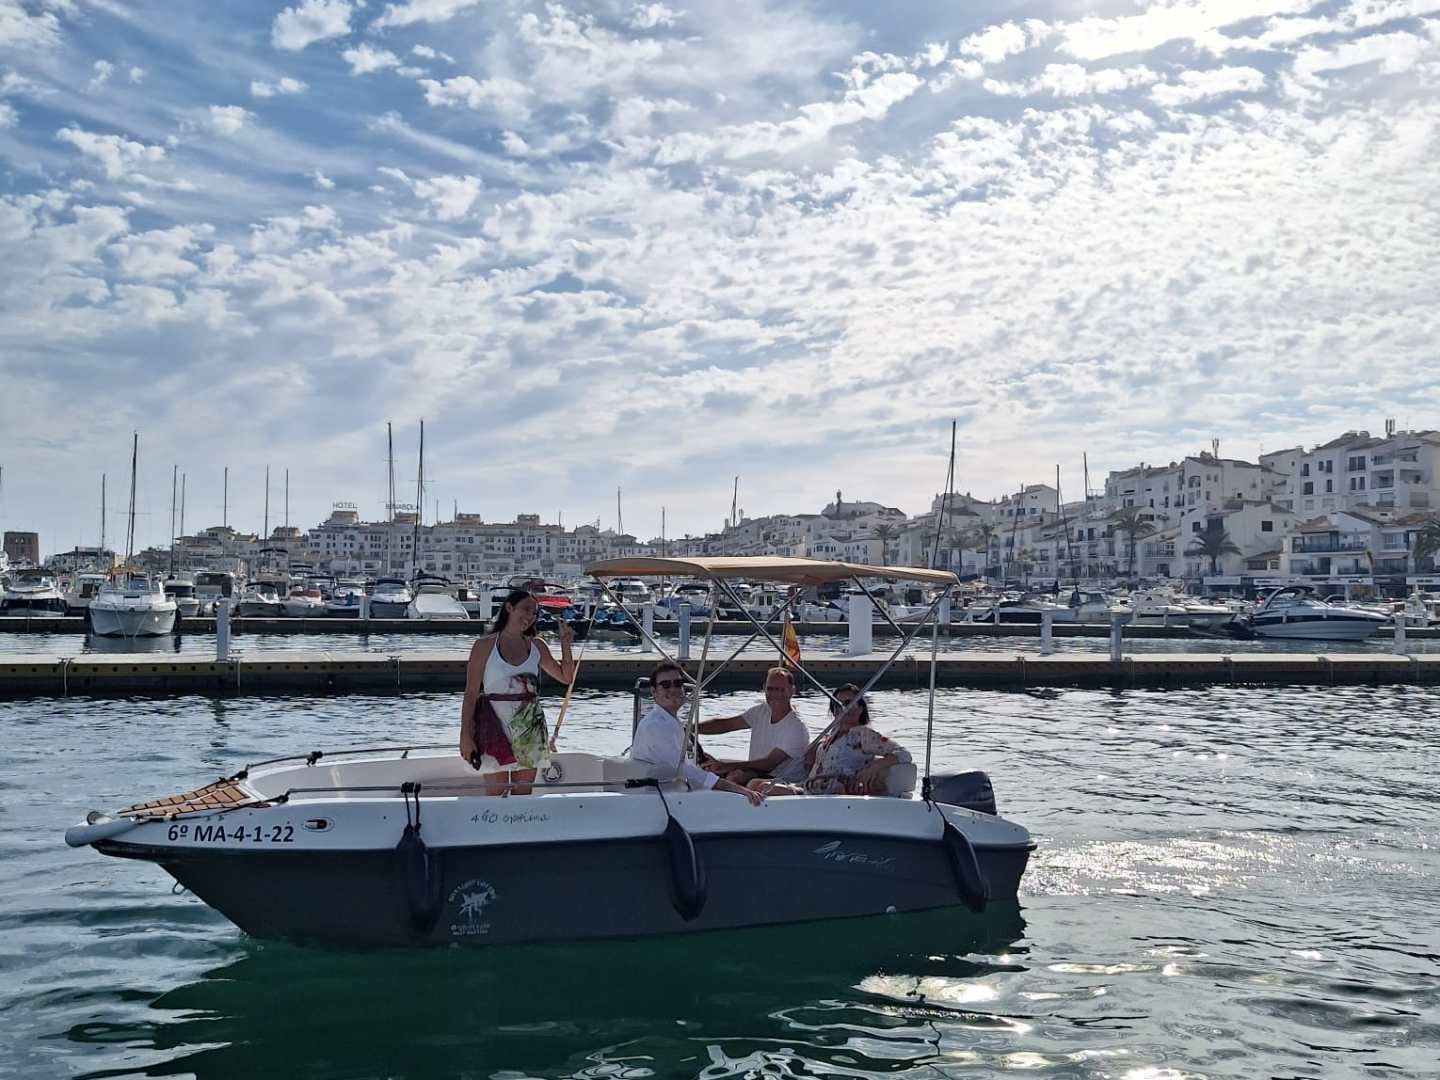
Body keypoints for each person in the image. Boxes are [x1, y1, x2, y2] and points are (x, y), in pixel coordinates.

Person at [459, 589, 575, 795]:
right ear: (509, 607)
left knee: (523, 794)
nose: (530, 616)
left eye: (535, 612)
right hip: (492, 723)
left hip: (530, 725)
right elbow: (470, 694)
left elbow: (566, 677)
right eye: (526, 609)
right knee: (497, 792)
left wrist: (566, 644)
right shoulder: (484, 645)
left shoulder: (538, 646)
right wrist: (465, 735)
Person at [629, 661, 763, 805]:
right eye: (666, 685)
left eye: (678, 683)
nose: (673, 689)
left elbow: (683, 768)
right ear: (654, 692)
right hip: (661, 798)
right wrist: (738, 790)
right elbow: (684, 771)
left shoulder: (668, 722)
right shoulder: (656, 726)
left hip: (665, 792)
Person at [752, 684, 910, 797]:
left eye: (849, 704)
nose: (843, 708)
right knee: (753, 783)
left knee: (763, 788)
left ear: (861, 708)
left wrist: (874, 767)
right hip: (809, 786)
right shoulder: (831, 735)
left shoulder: (864, 735)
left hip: (827, 793)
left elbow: (903, 753)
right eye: (838, 704)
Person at [697, 666, 810, 786]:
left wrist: (727, 766)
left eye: (780, 689)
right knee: (707, 768)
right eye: (770, 689)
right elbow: (726, 724)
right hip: (758, 772)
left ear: (792, 691)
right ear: (764, 690)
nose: (775, 693)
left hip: (783, 781)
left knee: (736, 777)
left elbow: (769, 764)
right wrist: (691, 729)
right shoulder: (761, 711)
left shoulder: (796, 727)